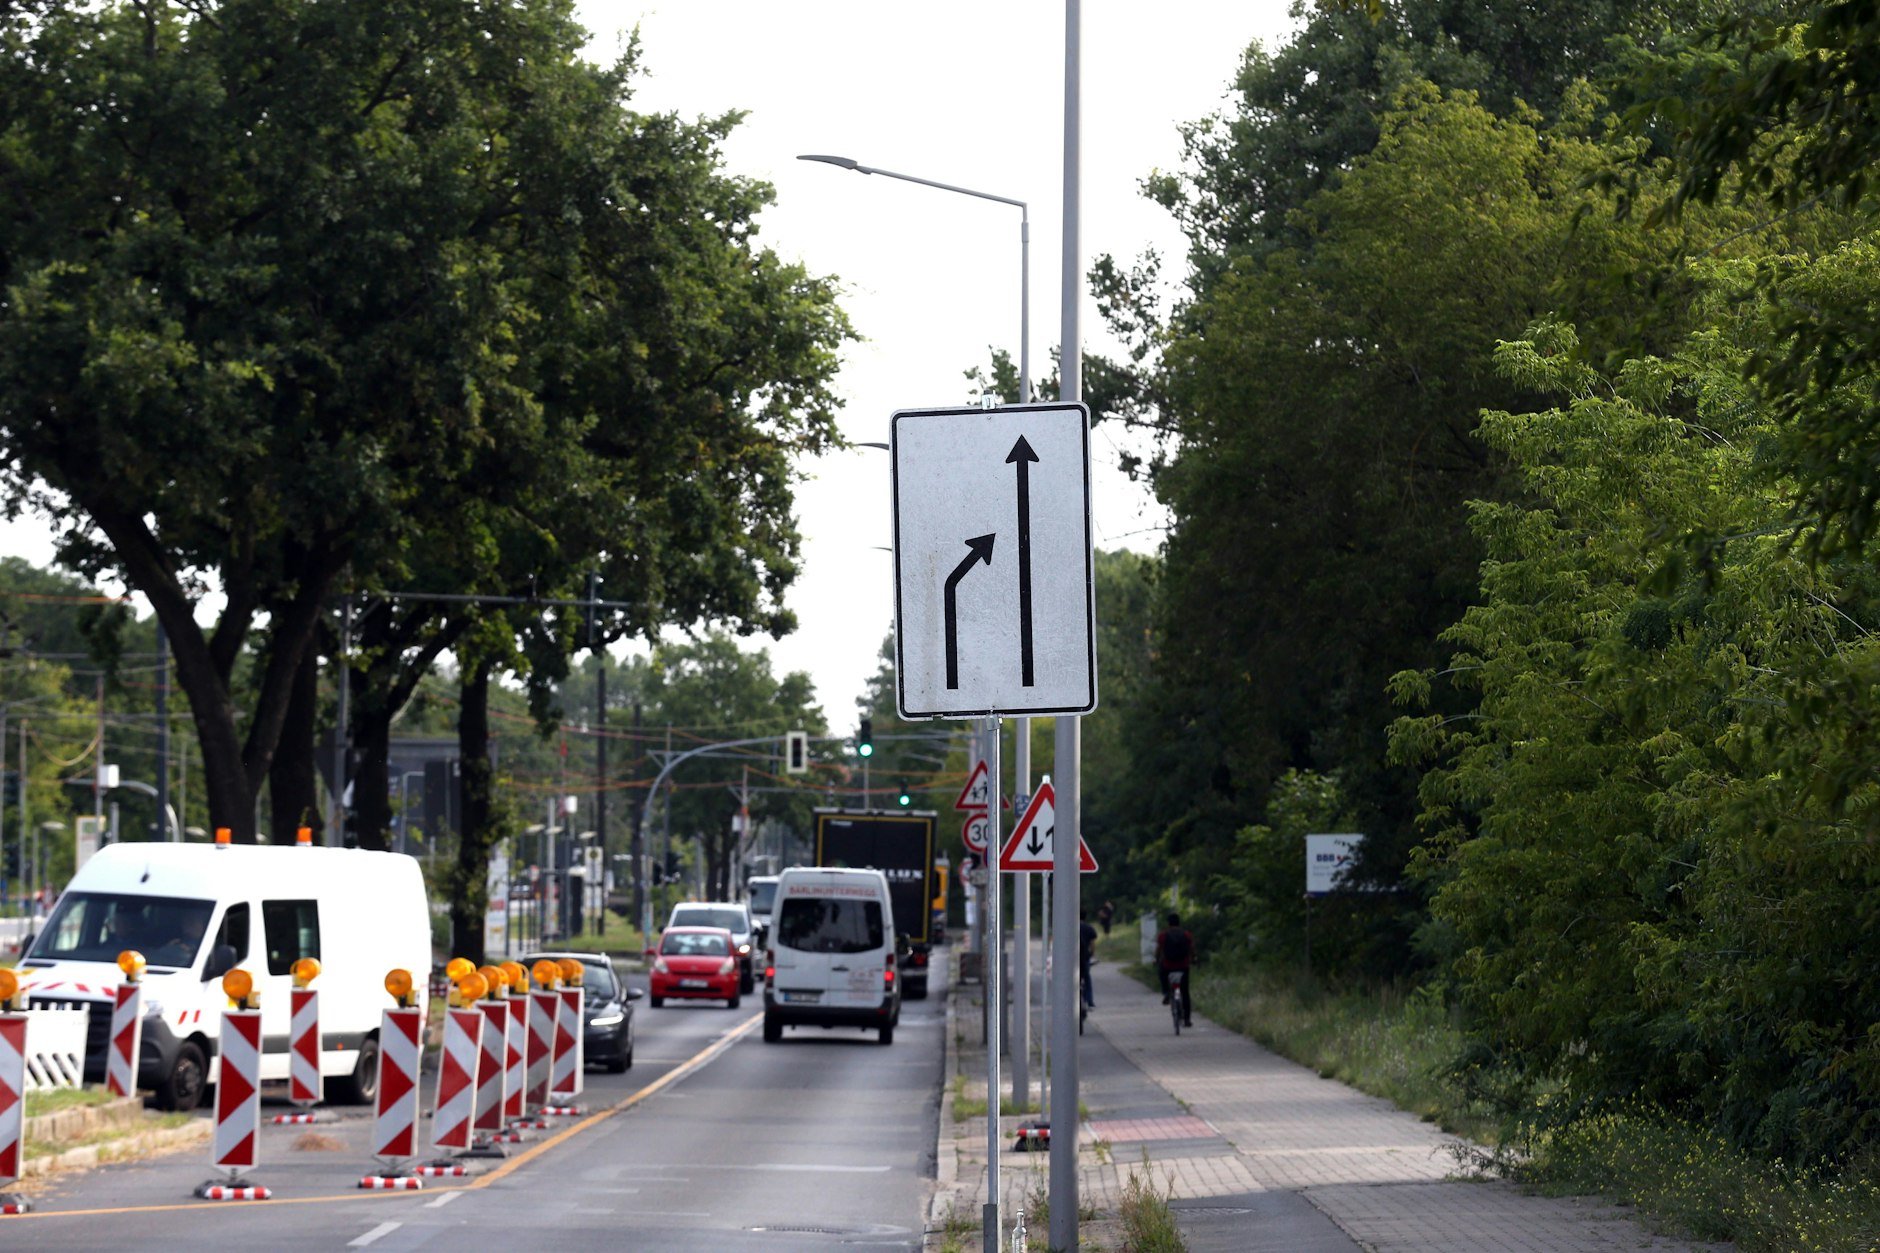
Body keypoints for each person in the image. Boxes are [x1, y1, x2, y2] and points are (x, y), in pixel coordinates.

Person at [1154, 911, 1195, 1027]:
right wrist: (1194, 959)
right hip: (1183, 966)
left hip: (1168, 966)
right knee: (1185, 992)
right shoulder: (1187, 934)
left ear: (1168, 923)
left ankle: (1166, 992)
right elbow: (1192, 949)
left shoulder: (1163, 935)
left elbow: (1159, 950)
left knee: (1161, 972)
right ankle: (1187, 1019)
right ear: (1179, 922)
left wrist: (1156, 960)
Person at [1079, 910, 1098, 1009]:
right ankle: (1089, 1001)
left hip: (1073, 958)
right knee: (1087, 978)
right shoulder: (1088, 928)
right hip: (1085, 957)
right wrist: (1092, 954)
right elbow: (1092, 943)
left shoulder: (1070, 927)